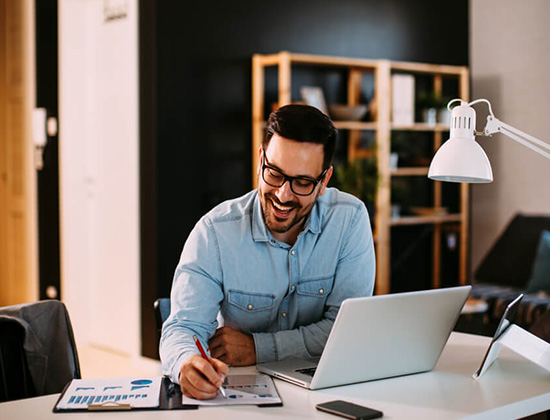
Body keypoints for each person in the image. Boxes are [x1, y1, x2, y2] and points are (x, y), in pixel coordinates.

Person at [160, 104, 375, 399]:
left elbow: (345, 330)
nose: (283, 195)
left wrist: (258, 348)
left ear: (324, 180)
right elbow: (183, 327)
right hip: (239, 396)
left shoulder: (349, 220)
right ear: (260, 160)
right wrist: (187, 363)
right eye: (274, 173)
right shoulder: (215, 232)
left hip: (325, 392)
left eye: (302, 182)